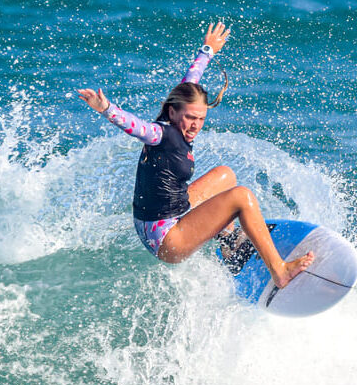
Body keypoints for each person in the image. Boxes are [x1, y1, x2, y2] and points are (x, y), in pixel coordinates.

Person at [77, 22, 314, 289]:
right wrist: (106, 108)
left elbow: (190, 82)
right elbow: (134, 126)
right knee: (242, 197)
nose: (195, 125)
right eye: (189, 118)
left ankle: (229, 245)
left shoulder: (182, 112)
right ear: (172, 112)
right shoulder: (160, 134)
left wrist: (207, 51)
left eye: (201, 118)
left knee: (225, 176)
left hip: (169, 212)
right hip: (165, 239)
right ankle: (280, 271)